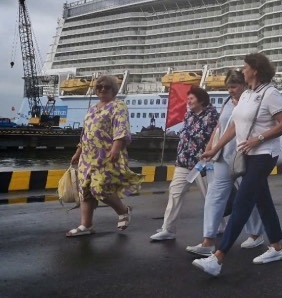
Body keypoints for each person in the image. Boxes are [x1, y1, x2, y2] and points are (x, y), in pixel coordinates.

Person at [193, 53, 282, 277]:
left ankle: (218, 257)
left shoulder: (270, 93)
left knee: (243, 201)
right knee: (262, 200)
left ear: (255, 70)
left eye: (245, 67)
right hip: (246, 153)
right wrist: (215, 148)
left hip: (264, 154)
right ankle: (276, 247)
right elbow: (234, 126)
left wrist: (260, 138)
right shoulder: (247, 94)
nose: (242, 70)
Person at [187, 70, 263, 256]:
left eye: (234, 87)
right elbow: (220, 126)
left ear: (244, 85)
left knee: (247, 197)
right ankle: (208, 241)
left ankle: (255, 234)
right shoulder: (228, 101)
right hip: (222, 156)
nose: (230, 90)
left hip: (242, 156)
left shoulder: (251, 101)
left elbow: (237, 128)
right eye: (228, 87)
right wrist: (210, 146)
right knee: (214, 196)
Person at [66, 75, 144, 236]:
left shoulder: (118, 106)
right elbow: (86, 133)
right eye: (99, 87)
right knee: (85, 191)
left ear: (113, 89)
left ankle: (123, 211)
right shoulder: (93, 108)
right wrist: (78, 152)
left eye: (106, 87)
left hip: (106, 156)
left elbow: (121, 129)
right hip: (87, 157)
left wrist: (116, 148)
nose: (102, 90)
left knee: (99, 188)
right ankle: (86, 225)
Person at [151, 86, 220, 241]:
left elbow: (217, 137)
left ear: (201, 99)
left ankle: (219, 224)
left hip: (203, 163)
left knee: (210, 197)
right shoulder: (188, 114)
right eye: (188, 98)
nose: (188, 101)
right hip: (184, 162)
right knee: (175, 193)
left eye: (191, 98)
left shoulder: (213, 116)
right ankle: (168, 229)